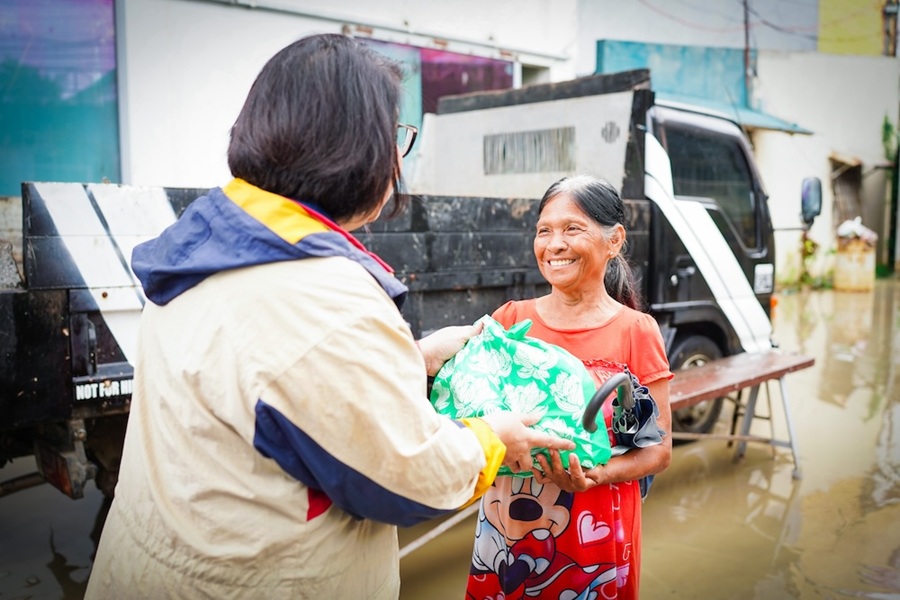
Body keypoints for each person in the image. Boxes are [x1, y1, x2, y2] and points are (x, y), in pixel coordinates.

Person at [84, 34, 573, 600]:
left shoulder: (208, 244)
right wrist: (494, 438)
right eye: (394, 136)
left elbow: (273, 384)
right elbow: (407, 478)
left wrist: (414, 357)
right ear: (357, 148)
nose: (396, 159)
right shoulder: (321, 294)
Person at [465, 175, 673, 600]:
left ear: (614, 240)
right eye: (544, 231)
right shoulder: (509, 321)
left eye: (572, 229)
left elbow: (659, 449)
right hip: (509, 521)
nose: (554, 244)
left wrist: (599, 475)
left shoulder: (636, 331)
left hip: (596, 522)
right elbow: (469, 403)